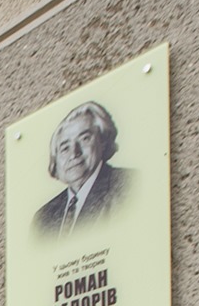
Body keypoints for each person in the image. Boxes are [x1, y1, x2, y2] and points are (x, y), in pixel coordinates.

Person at [33, 101, 129, 237]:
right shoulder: (43, 218)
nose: (74, 153)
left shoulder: (127, 186)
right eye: (65, 148)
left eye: (84, 139)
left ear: (103, 141)